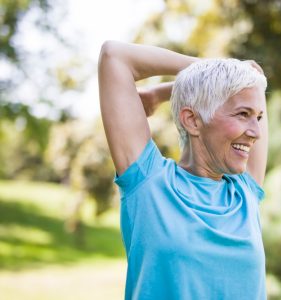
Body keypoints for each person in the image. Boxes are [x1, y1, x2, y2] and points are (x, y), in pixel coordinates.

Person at [98, 41, 268, 300]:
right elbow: (114, 56)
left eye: (258, 117)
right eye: (243, 114)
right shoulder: (149, 184)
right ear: (192, 120)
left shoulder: (245, 191)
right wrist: (210, 72)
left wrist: (164, 92)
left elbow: (254, 81)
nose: (255, 132)